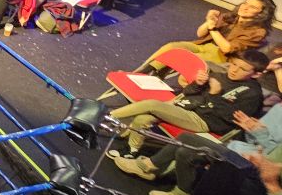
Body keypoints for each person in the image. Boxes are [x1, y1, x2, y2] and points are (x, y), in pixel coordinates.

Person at [113, 102, 282, 195]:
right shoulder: (278, 109)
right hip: (244, 154)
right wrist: (255, 132)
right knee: (185, 151)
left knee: (187, 139)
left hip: (255, 175)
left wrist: (271, 181)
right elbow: (263, 146)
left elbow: (269, 155)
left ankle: (149, 167)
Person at [108, 50, 270, 159]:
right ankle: (132, 151)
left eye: (243, 69)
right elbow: (190, 92)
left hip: (205, 121)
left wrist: (214, 95)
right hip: (188, 108)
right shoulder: (221, 75)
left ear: (256, 74)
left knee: (152, 104)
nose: (234, 70)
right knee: (144, 118)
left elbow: (229, 118)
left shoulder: (252, 94)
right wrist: (198, 83)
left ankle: (103, 116)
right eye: (234, 64)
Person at [134, 0, 275, 74]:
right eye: (245, 3)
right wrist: (208, 21)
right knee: (173, 46)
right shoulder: (231, 16)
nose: (245, 7)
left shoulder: (258, 31)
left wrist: (213, 29)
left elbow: (227, 49)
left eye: (252, 7)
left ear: (261, 13)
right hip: (204, 44)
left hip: (220, 56)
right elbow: (200, 33)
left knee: (182, 58)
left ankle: (155, 75)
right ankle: (141, 72)